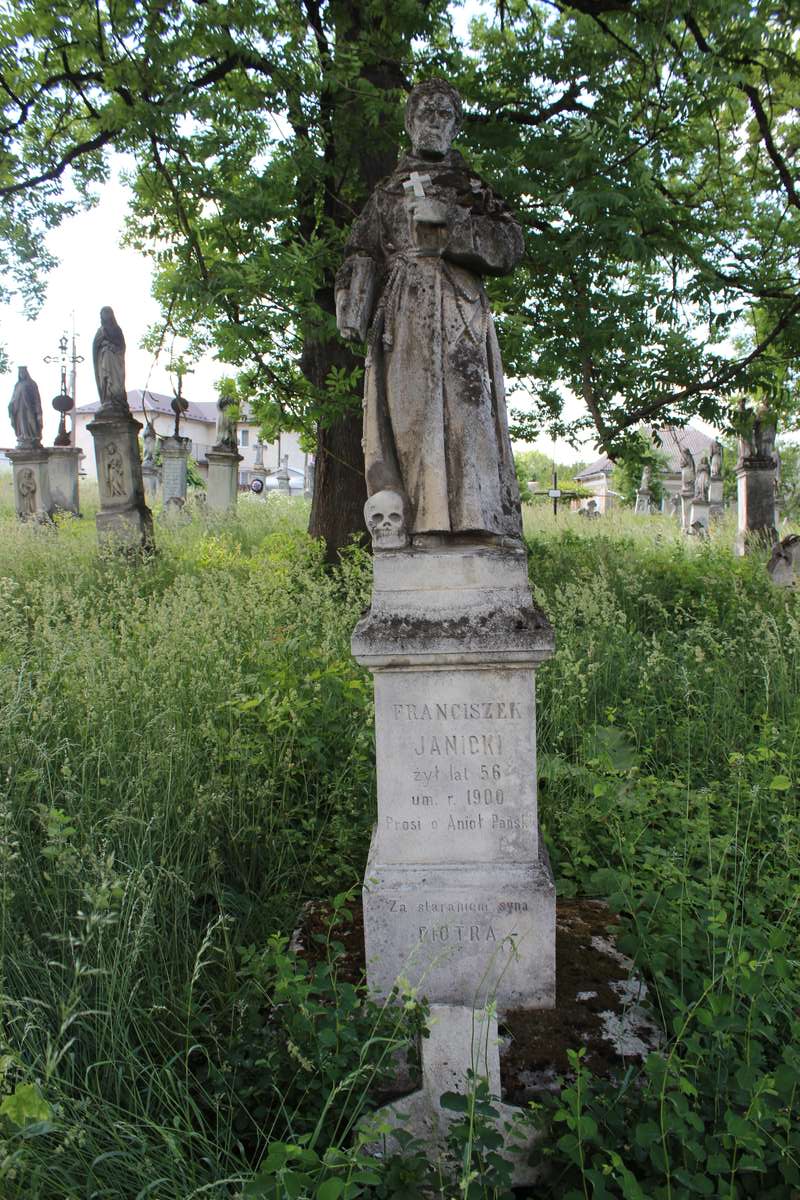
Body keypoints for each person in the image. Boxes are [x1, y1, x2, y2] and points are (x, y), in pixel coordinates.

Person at [336, 78, 523, 545]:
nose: (435, 122)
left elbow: (511, 245)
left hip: (461, 311)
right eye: (427, 113)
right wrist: (353, 296)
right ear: (410, 121)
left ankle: (480, 525)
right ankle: (424, 527)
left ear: (455, 125)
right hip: (406, 316)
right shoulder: (388, 192)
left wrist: (455, 226)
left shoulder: (472, 188)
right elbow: (360, 250)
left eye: (444, 115)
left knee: (470, 415)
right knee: (412, 418)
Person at [92, 306, 130, 414]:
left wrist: (113, 347)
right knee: (106, 379)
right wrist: (104, 346)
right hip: (104, 361)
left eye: (108, 313)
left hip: (115, 361)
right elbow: (95, 348)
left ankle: (117, 400)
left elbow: (122, 347)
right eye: (103, 313)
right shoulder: (100, 331)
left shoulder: (117, 330)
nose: (106, 315)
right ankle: (108, 399)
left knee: (117, 385)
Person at [8, 367, 43, 446]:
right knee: (22, 423)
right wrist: (11, 405)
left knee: (32, 422)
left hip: (30, 408)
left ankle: (33, 436)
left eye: (23, 373)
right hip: (19, 408)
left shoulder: (32, 384)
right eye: (20, 373)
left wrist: (37, 408)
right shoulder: (17, 385)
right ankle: (24, 436)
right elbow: (13, 397)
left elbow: (36, 396)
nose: (22, 375)